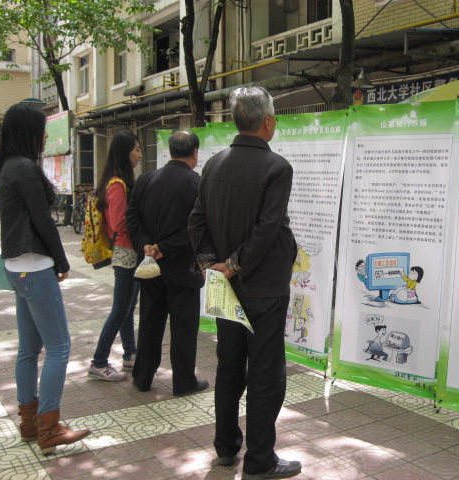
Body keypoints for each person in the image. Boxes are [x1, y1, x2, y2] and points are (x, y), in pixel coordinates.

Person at [188, 86, 301, 480]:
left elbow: (196, 221)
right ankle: (259, 461)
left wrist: (212, 264)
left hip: (225, 285)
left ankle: (225, 447)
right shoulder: (277, 168)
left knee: (230, 366)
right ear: (267, 122)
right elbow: (267, 229)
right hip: (264, 286)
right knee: (265, 373)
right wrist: (234, 265)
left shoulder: (213, 164)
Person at [0, 102, 91, 454]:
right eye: (42, 130)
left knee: (29, 349)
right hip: (34, 264)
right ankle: (49, 428)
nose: (46, 136)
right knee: (59, 347)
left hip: (18, 266)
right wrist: (62, 262)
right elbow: (43, 221)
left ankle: (30, 423)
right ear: (28, 132)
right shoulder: (24, 167)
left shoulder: (9, 165)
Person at [126, 130, 208, 396]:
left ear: (171, 151)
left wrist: (146, 246)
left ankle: (142, 377)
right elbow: (198, 227)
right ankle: (184, 382)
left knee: (150, 322)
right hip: (183, 267)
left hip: (150, 266)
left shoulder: (146, 179)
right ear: (195, 152)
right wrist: (166, 248)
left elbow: (132, 219)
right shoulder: (197, 183)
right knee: (184, 328)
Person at [87, 132, 141, 381]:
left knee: (127, 307)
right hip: (125, 251)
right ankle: (99, 362)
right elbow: (121, 223)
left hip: (128, 250)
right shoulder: (117, 184)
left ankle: (130, 354)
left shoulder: (118, 181)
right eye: (136, 150)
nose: (140, 155)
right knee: (120, 309)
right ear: (124, 152)